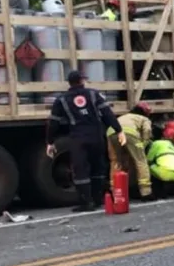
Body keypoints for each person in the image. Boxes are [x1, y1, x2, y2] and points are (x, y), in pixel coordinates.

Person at [46, 70, 125, 212]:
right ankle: (97, 199)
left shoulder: (61, 100)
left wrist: (50, 142)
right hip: (96, 136)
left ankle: (86, 202)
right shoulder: (94, 94)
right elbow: (107, 114)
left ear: (69, 83)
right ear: (82, 81)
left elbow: (53, 123)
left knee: (80, 169)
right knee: (97, 167)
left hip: (78, 138)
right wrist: (118, 130)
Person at [107, 101, 155, 201]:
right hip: (129, 133)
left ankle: (115, 192)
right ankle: (145, 192)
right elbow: (147, 131)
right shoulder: (144, 118)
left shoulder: (125, 116)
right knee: (140, 161)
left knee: (116, 161)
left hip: (111, 133)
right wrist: (143, 144)